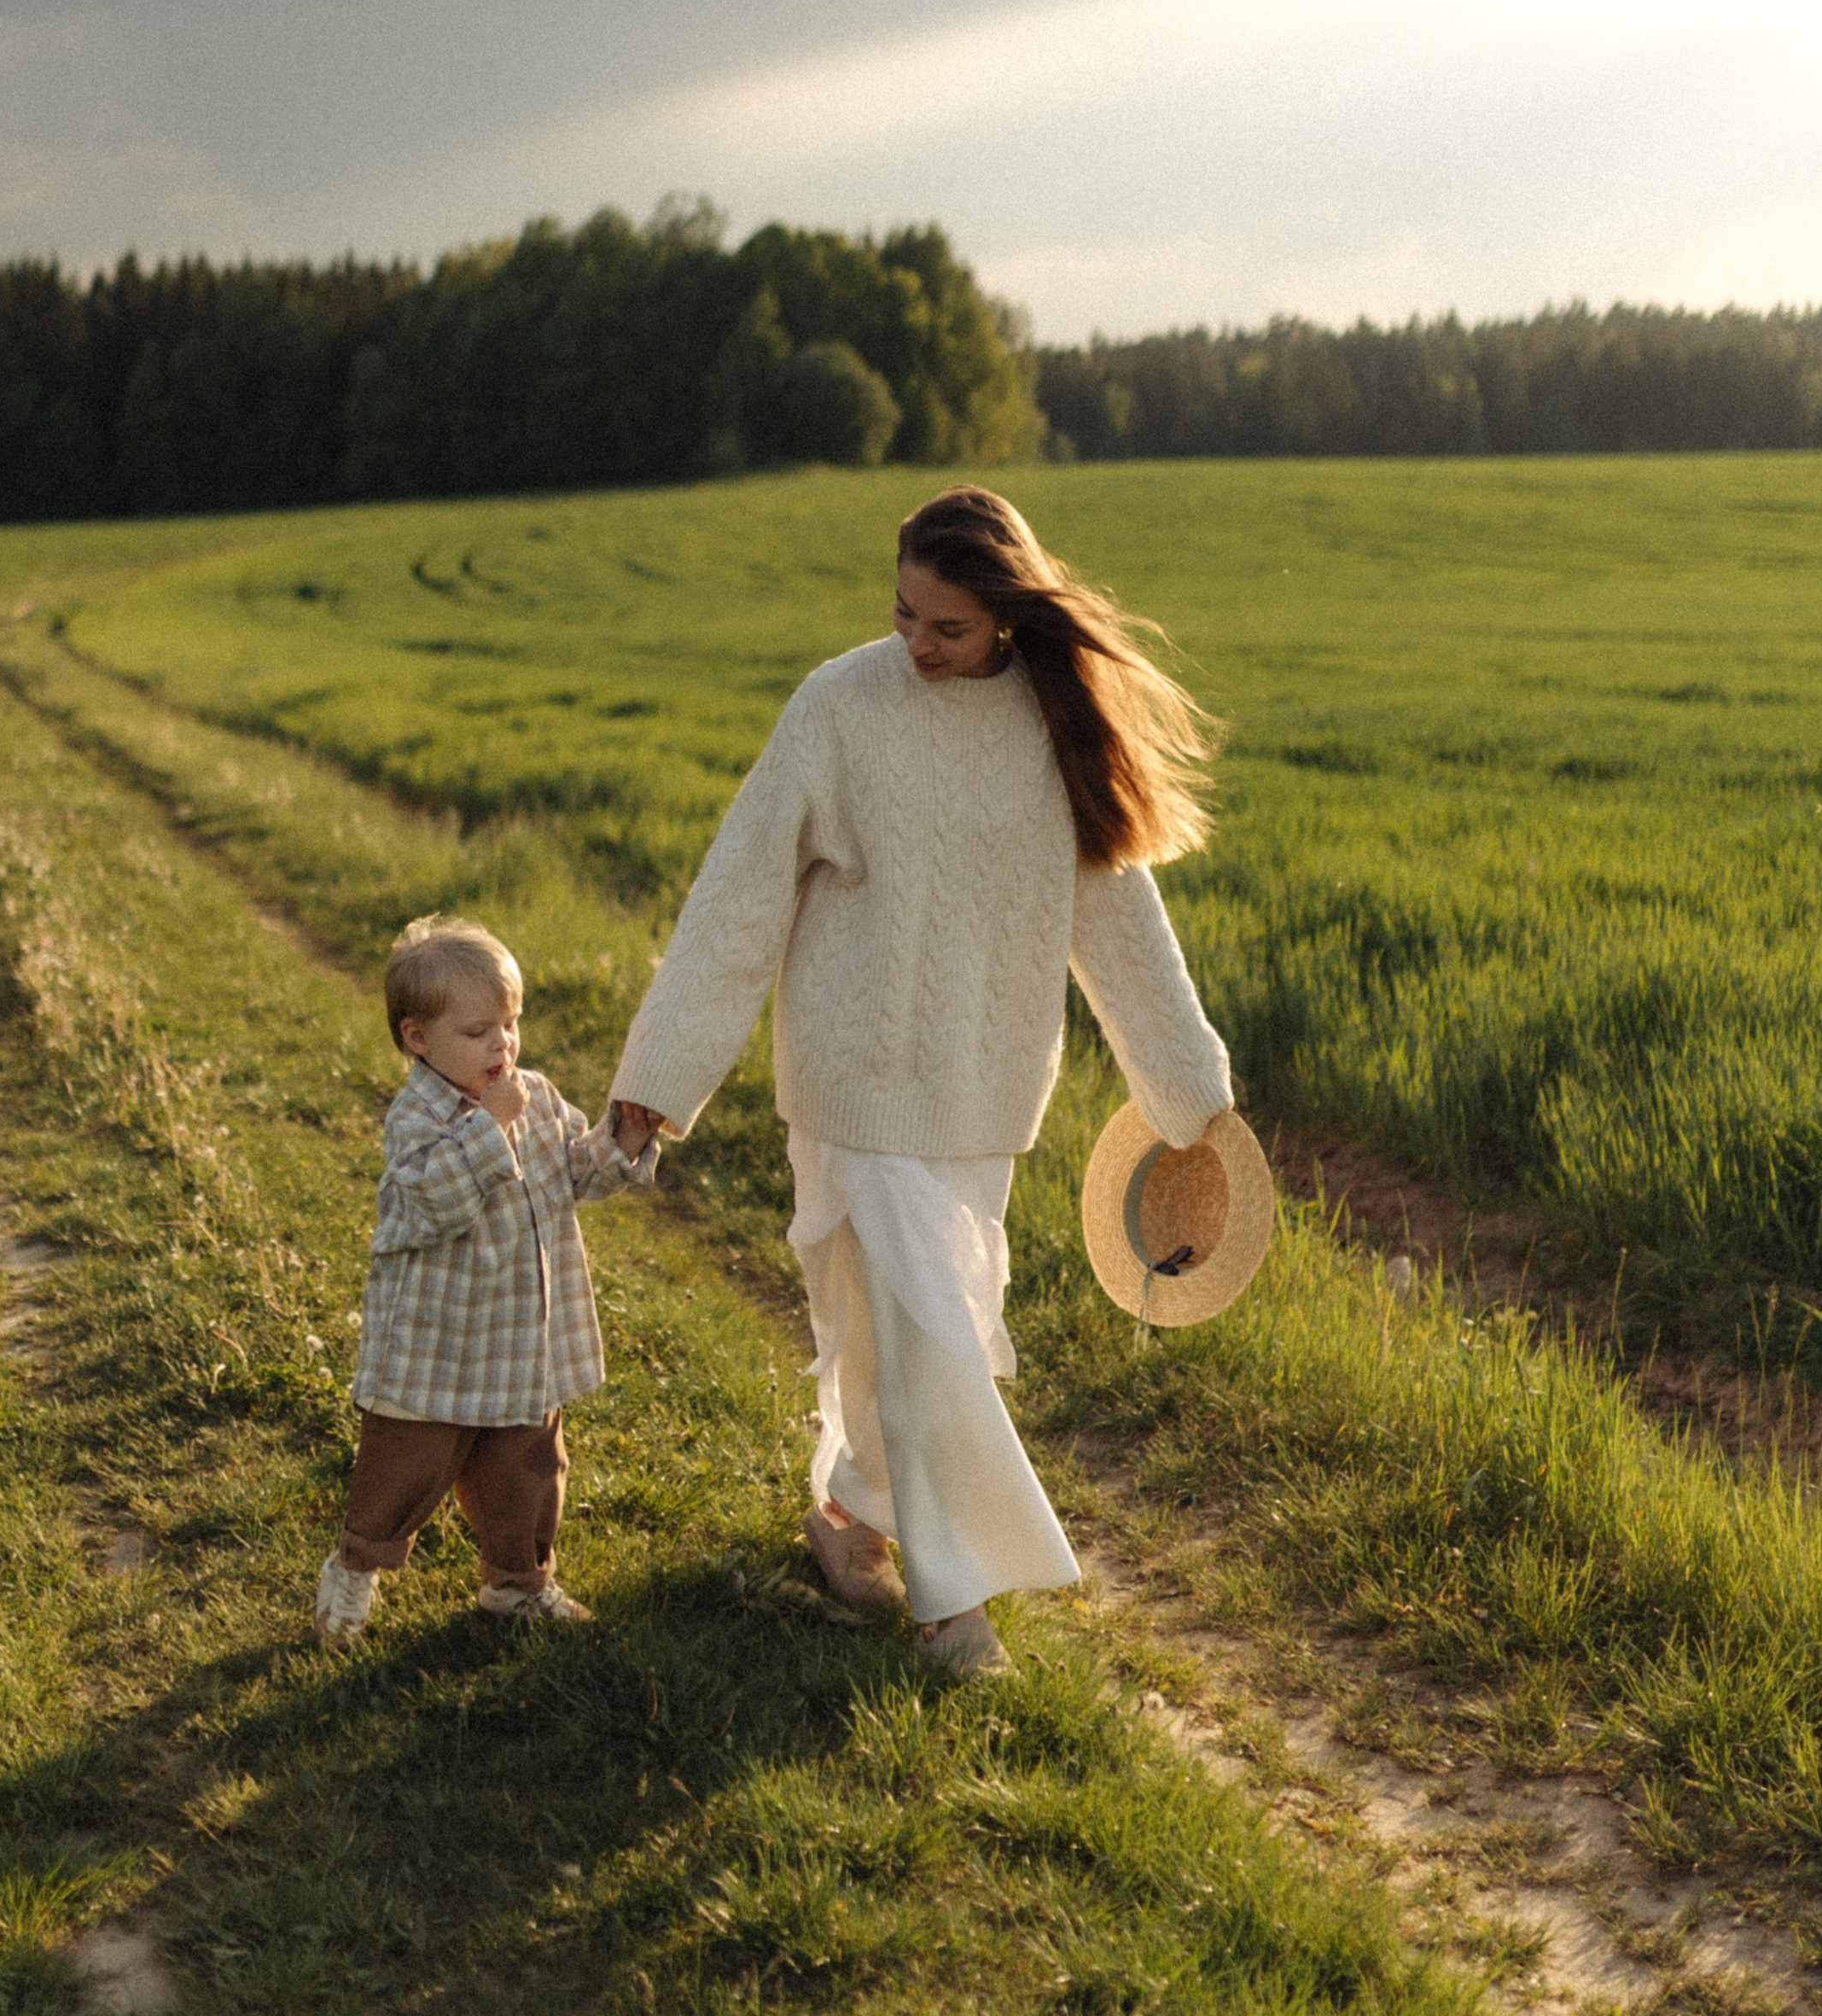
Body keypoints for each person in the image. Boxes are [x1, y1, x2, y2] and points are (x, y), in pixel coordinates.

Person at [608, 486, 1231, 1677]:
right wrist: (663, 1071)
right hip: (853, 1074)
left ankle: (848, 1508)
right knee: (924, 1326)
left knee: (899, 1326)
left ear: (1004, 617)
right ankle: (952, 1601)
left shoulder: (1057, 726)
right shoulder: (838, 707)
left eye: (944, 627)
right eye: (902, 614)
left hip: (984, 1088)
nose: (915, 644)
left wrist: (1188, 1094)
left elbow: (1119, 924)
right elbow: (739, 894)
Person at [314, 912, 656, 1646]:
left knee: (528, 1469)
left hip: (518, 1340)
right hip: (437, 1344)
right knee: (403, 1468)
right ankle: (356, 1564)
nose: (501, 1043)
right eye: (478, 1032)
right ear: (418, 1039)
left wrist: (622, 1135)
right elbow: (437, 1198)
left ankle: (517, 1582)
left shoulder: (530, 1092)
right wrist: (489, 1126)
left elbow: (575, 1174)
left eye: (510, 1023)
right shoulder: (419, 1117)